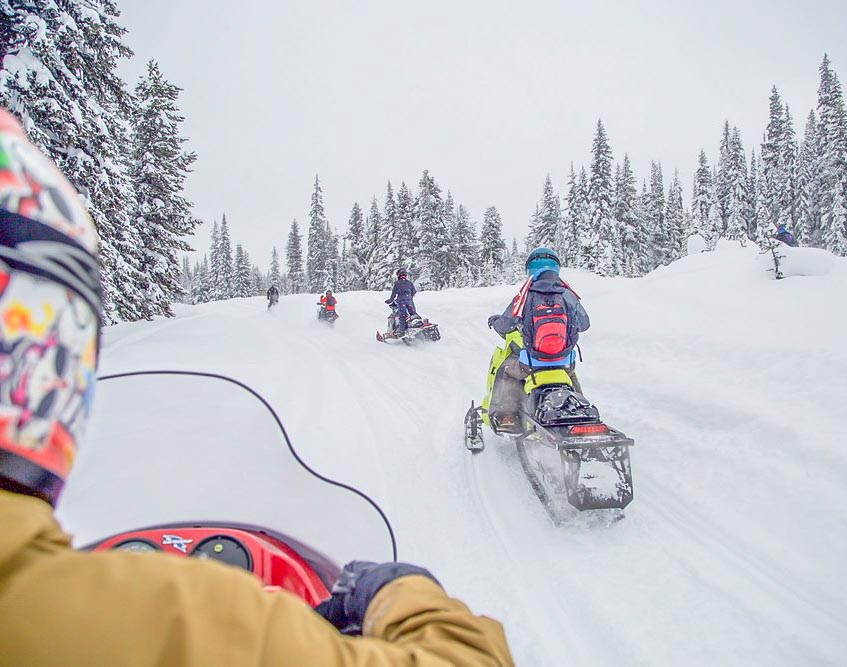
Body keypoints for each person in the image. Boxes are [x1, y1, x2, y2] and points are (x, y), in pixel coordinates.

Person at [0, 109, 513, 666]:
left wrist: (390, 304)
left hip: (392, 314)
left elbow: (398, 299)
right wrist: (400, 593)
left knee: (387, 316)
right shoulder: (176, 622)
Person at [486, 247, 589, 428]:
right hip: (563, 363)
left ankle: (507, 416)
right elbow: (585, 323)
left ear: (530, 269)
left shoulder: (526, 294)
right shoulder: (568, 294)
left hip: (532, 364)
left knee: (508, 371)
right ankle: (583, 412)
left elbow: (506, 324)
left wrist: (495, 322)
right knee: (571, 375)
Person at [385, 268, 418, 333]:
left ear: (399, 275)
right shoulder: (409, 283)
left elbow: (393, 294)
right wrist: (410, 297)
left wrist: (390, 300)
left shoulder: (397, 283)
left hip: (401, 301)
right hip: (409, 301)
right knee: (413, 314)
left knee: (402, 316)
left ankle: (402, 330)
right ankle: (416, 325)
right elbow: (414, 291)